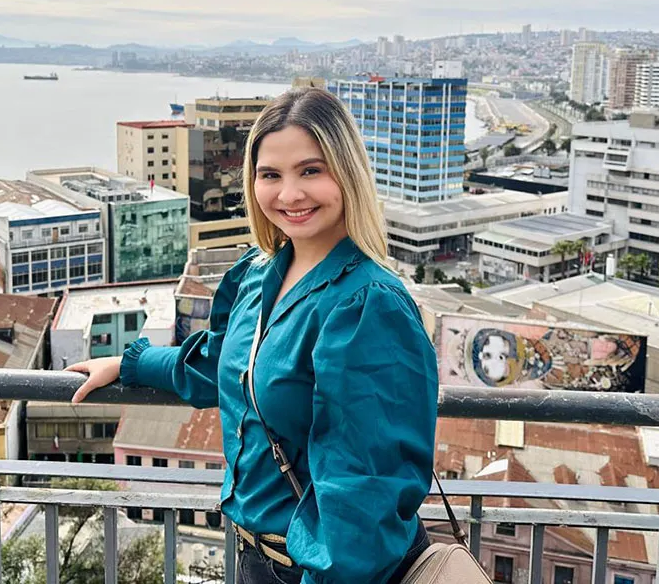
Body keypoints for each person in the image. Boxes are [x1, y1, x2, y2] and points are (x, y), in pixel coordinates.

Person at [68, 87, 438, 584]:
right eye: (271, 175)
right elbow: (222, 364)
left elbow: (365, 494)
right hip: (254, 556)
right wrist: (127, 364)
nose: (289, 194)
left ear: (347, 173)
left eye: (311, 170)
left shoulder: (368, 304)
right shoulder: (258, 272)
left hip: (314, 570)